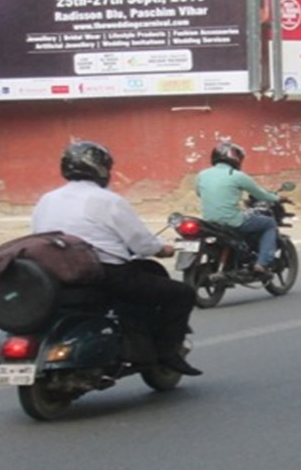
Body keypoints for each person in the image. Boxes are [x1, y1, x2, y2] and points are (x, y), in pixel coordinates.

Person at [30, 140, 202, 376]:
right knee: (182, 293)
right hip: (106, 275)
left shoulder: (46, 200)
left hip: (56, 275)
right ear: (101, 168)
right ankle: (167, 352)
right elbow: (140, 242)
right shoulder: (107, 200)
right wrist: (162, 249)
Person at [195, 140, 285, 283]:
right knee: (268, 223)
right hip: (232, 220)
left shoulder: (202, 175)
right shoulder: (237, 176)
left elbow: (200, 193)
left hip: (210, 221)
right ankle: (261, 265)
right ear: (235, 158)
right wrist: (278, 198)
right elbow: (260, 194)